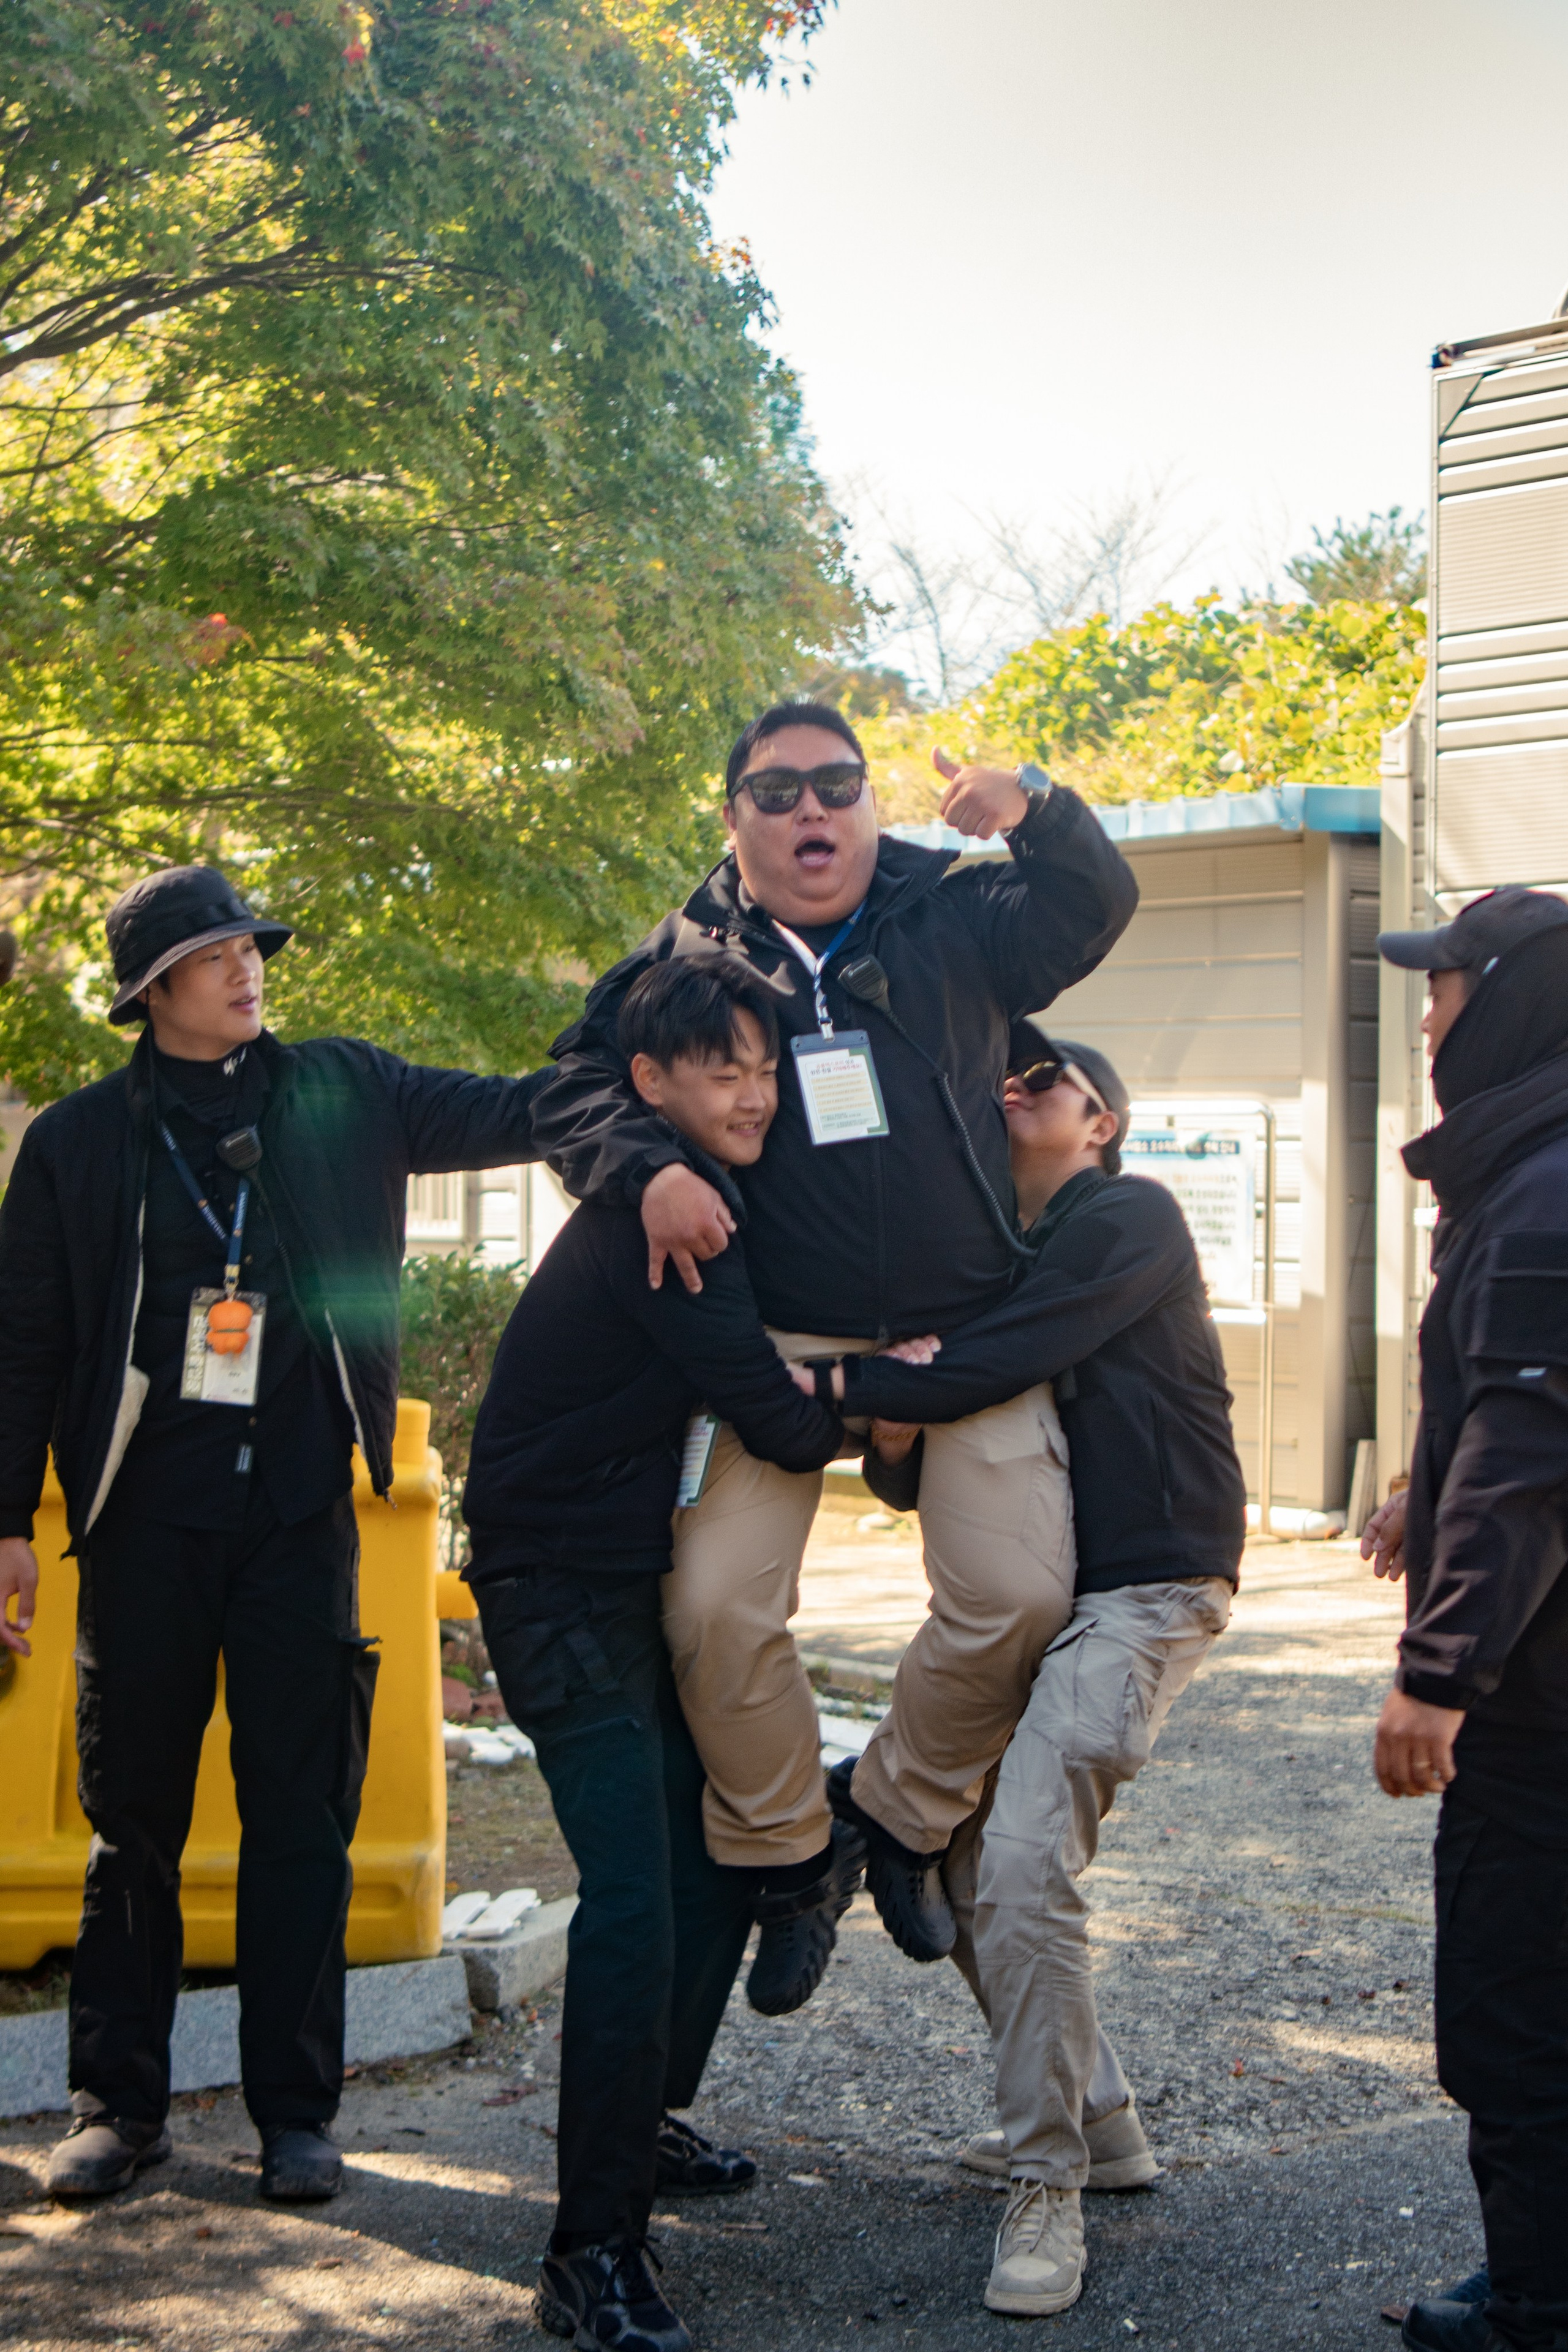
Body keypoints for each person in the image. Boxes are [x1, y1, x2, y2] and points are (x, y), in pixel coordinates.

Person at [530, 701, 1139, 1960]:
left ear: (869, 804)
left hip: (959, 1340)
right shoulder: (689, 952)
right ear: (733, 818)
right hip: (778, 1348)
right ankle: (787, 1858)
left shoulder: (961, 914)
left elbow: (1093, 903)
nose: (810, 807)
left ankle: (894, 1813)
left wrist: (1028, 802)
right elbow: (577, 1082)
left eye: (837, 783)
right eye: (777, 790)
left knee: (1018, 1600)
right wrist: (643, 1171)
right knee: (710, 1611)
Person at [0, 866, 545, 2203]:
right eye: (213, 953)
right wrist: (6, 1520)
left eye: (250, 945)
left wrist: (645, 1039)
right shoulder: (75, 1144)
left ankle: (296, 2116)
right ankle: (115, 2108)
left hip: (303, 1512)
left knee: (301, 1814)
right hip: (144, 1528)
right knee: (135, 1823)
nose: (246, 968)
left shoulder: (342, 1090)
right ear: (152, 992)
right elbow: (25, 1345)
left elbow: (509, 1110)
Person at [813, 1025, 1245, 2317]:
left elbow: (994, 1364)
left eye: (1049, 1077)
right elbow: (915, 1462)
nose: (1019, 1082)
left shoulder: (1127, 1219)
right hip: (1052, 1600)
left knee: (1015, 1863)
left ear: (1101, 1122)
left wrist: (861, 1382)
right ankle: (1100, 2124)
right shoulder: (994, 1252)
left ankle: (1045, 2187)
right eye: (1006, 1071)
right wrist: (899, 1413)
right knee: (959, 1856)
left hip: (1147, 1590)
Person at [462, 956, 853, 2352]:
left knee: (705, 1861)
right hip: (547, 1581)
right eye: (717, 1069)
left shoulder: (700, 1190)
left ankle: (645, 2126)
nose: (750, 1092)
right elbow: (784, 1420)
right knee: (632, 1891)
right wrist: (886, 1391)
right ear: (650, 1087)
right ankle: (590, 2254)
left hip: (622, 1565)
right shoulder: (665, 1221)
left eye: (762, 1065)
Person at [1357, 887, 1568, 2352]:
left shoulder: (1546, 1182)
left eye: (1443, 988)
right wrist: (1415, 1497)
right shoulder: (1533, 1163)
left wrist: (1438, 1673)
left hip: (1540, 1703)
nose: (1425, 1016)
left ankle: (1538, 2304)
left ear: (1508, 1001)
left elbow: (1530, 1441)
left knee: (1512, 2000)